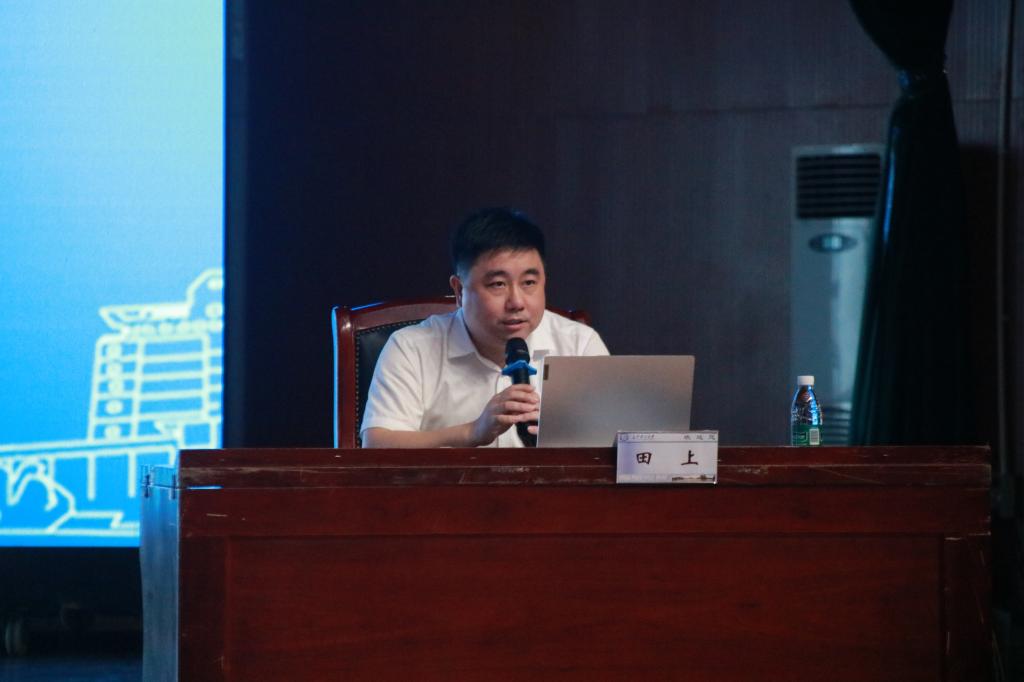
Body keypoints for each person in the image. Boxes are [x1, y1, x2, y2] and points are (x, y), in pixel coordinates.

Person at [361, 207, 609, 448]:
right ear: (459, 290)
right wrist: (471, 432)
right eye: (498, 284)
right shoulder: (411, 348)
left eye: (529, 282)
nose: (516, 302)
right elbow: (377, 445)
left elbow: (617, 442)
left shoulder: (578, 345)